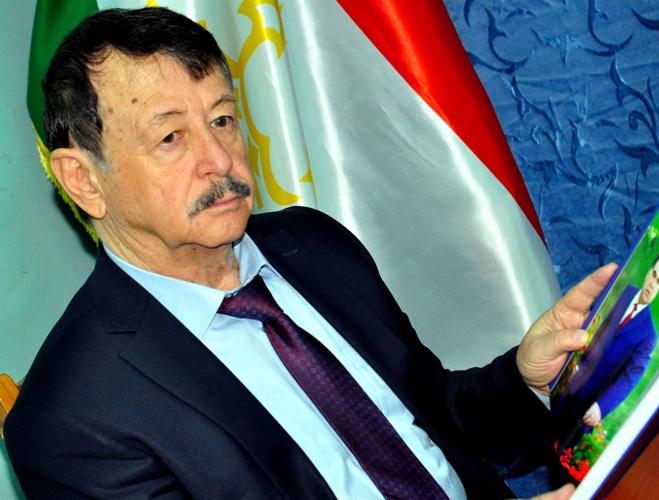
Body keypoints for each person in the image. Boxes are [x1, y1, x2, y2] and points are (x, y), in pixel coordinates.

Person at [4, 8, 614, 500]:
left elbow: (434, 421)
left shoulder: (314, 245)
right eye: (170, 137)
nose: (218, 158)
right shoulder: (70, 418)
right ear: (84, 180)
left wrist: (524, 379)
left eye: (222, 120)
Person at [553, 252, 659, 451]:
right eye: (653, 275)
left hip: (587, 403)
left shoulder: (649, 335)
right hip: (570, 377)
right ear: (648, 272)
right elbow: (597, 323)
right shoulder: (623, 293)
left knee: (554, 450)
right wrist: (575, 360)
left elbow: (630, 378)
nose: (653, 283)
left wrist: (601, 406)